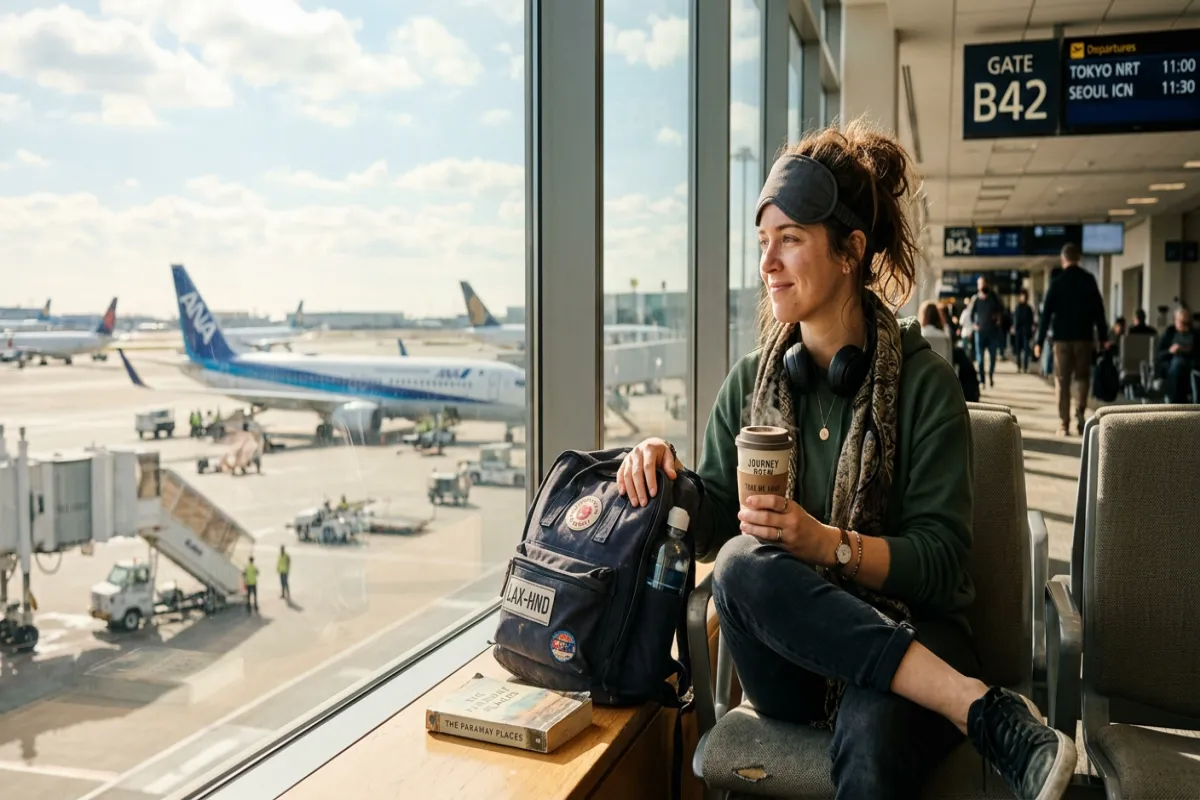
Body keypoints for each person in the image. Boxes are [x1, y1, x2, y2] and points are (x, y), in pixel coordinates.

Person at [614, 120, 1074, 800]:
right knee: (741, 563)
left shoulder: (923, 384)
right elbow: (713, 525)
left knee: (872, 726)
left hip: (921, 627)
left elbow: (945, 567)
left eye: (791, 240)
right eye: (764, 243)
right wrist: (666, 471)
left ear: (851, 251)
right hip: (796, 665)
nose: (768, 262)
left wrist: (829, 546)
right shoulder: (751, 383)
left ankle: (947, 694)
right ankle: (979, 707)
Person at [1035, 244, 1108, 436]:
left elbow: (1045, 315)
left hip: (1062, 341)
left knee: (1062, 380)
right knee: (1082, 377)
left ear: (1063, 259)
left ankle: (1063, 423)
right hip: (1084, 338)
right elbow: (1099, 311)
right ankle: (1080, 414)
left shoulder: (1057, 282)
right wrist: (1103, 337)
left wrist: (1039, 341)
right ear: (1079, 258)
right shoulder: (1089, 280)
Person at [968, 276, 1004, 388]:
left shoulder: (994, 298)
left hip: (992, 333)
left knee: (993, 357)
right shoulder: (976, 299)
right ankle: (982, 380)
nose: (982, 286)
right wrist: (974, 324)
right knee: (980, 359)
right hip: (980, 333)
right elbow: (971, 314)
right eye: (980, 284)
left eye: (984, 283)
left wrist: (998, 318)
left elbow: (1001, 310)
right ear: (978, 286)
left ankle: (991, 377)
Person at [1156, 304, 1195, 403]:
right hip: (1171, 363)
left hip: (1190, 363)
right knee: (1178, 364)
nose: (1185, 326)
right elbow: (1159, 355)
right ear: (1176, 320)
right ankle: (1175, 401)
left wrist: (1188, 350)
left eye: (1187, 323)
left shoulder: (1195, 334)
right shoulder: (1170, 332)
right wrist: (1170, 351)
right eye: (1182, 322)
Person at [1013, 290, 1035, 373]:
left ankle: (1025, 367)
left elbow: (1031, 320)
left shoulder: (1029, 308)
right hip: (1018, 331)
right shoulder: (1017, 307)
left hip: (1026, 331)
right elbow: (1015, 319)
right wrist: (1014, 328)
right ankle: (1019, 366)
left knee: (1026, 350)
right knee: (1018, 350)